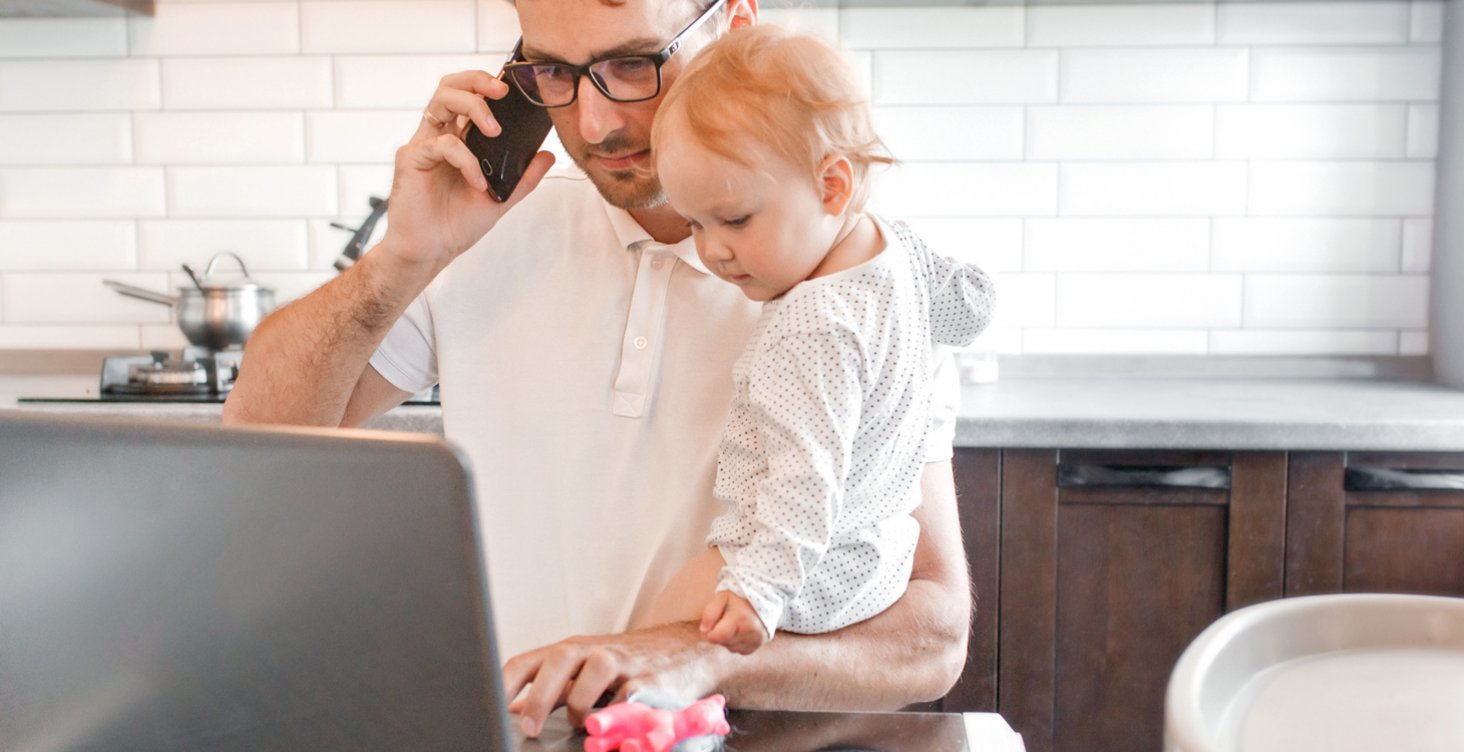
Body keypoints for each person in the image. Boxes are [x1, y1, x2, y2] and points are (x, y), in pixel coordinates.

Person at [221, 0, 971, 739]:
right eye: (553, 71)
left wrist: (696, 658)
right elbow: (255, 437)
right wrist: (405, 258)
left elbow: (934, 637)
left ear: (734, 24)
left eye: (633, 64)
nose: (593, 123)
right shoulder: (486, 220)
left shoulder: (857, 283)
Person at [642, 26, 995, 656]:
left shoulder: (808, 327)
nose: (712, 250)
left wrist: (756, 592)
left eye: (735, 219)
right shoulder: (898, 246)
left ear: (831, 185)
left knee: (637, 652)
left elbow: (806, 482)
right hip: (882, 555)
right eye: (695, 223)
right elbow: (965, 305)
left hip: (804, 568)